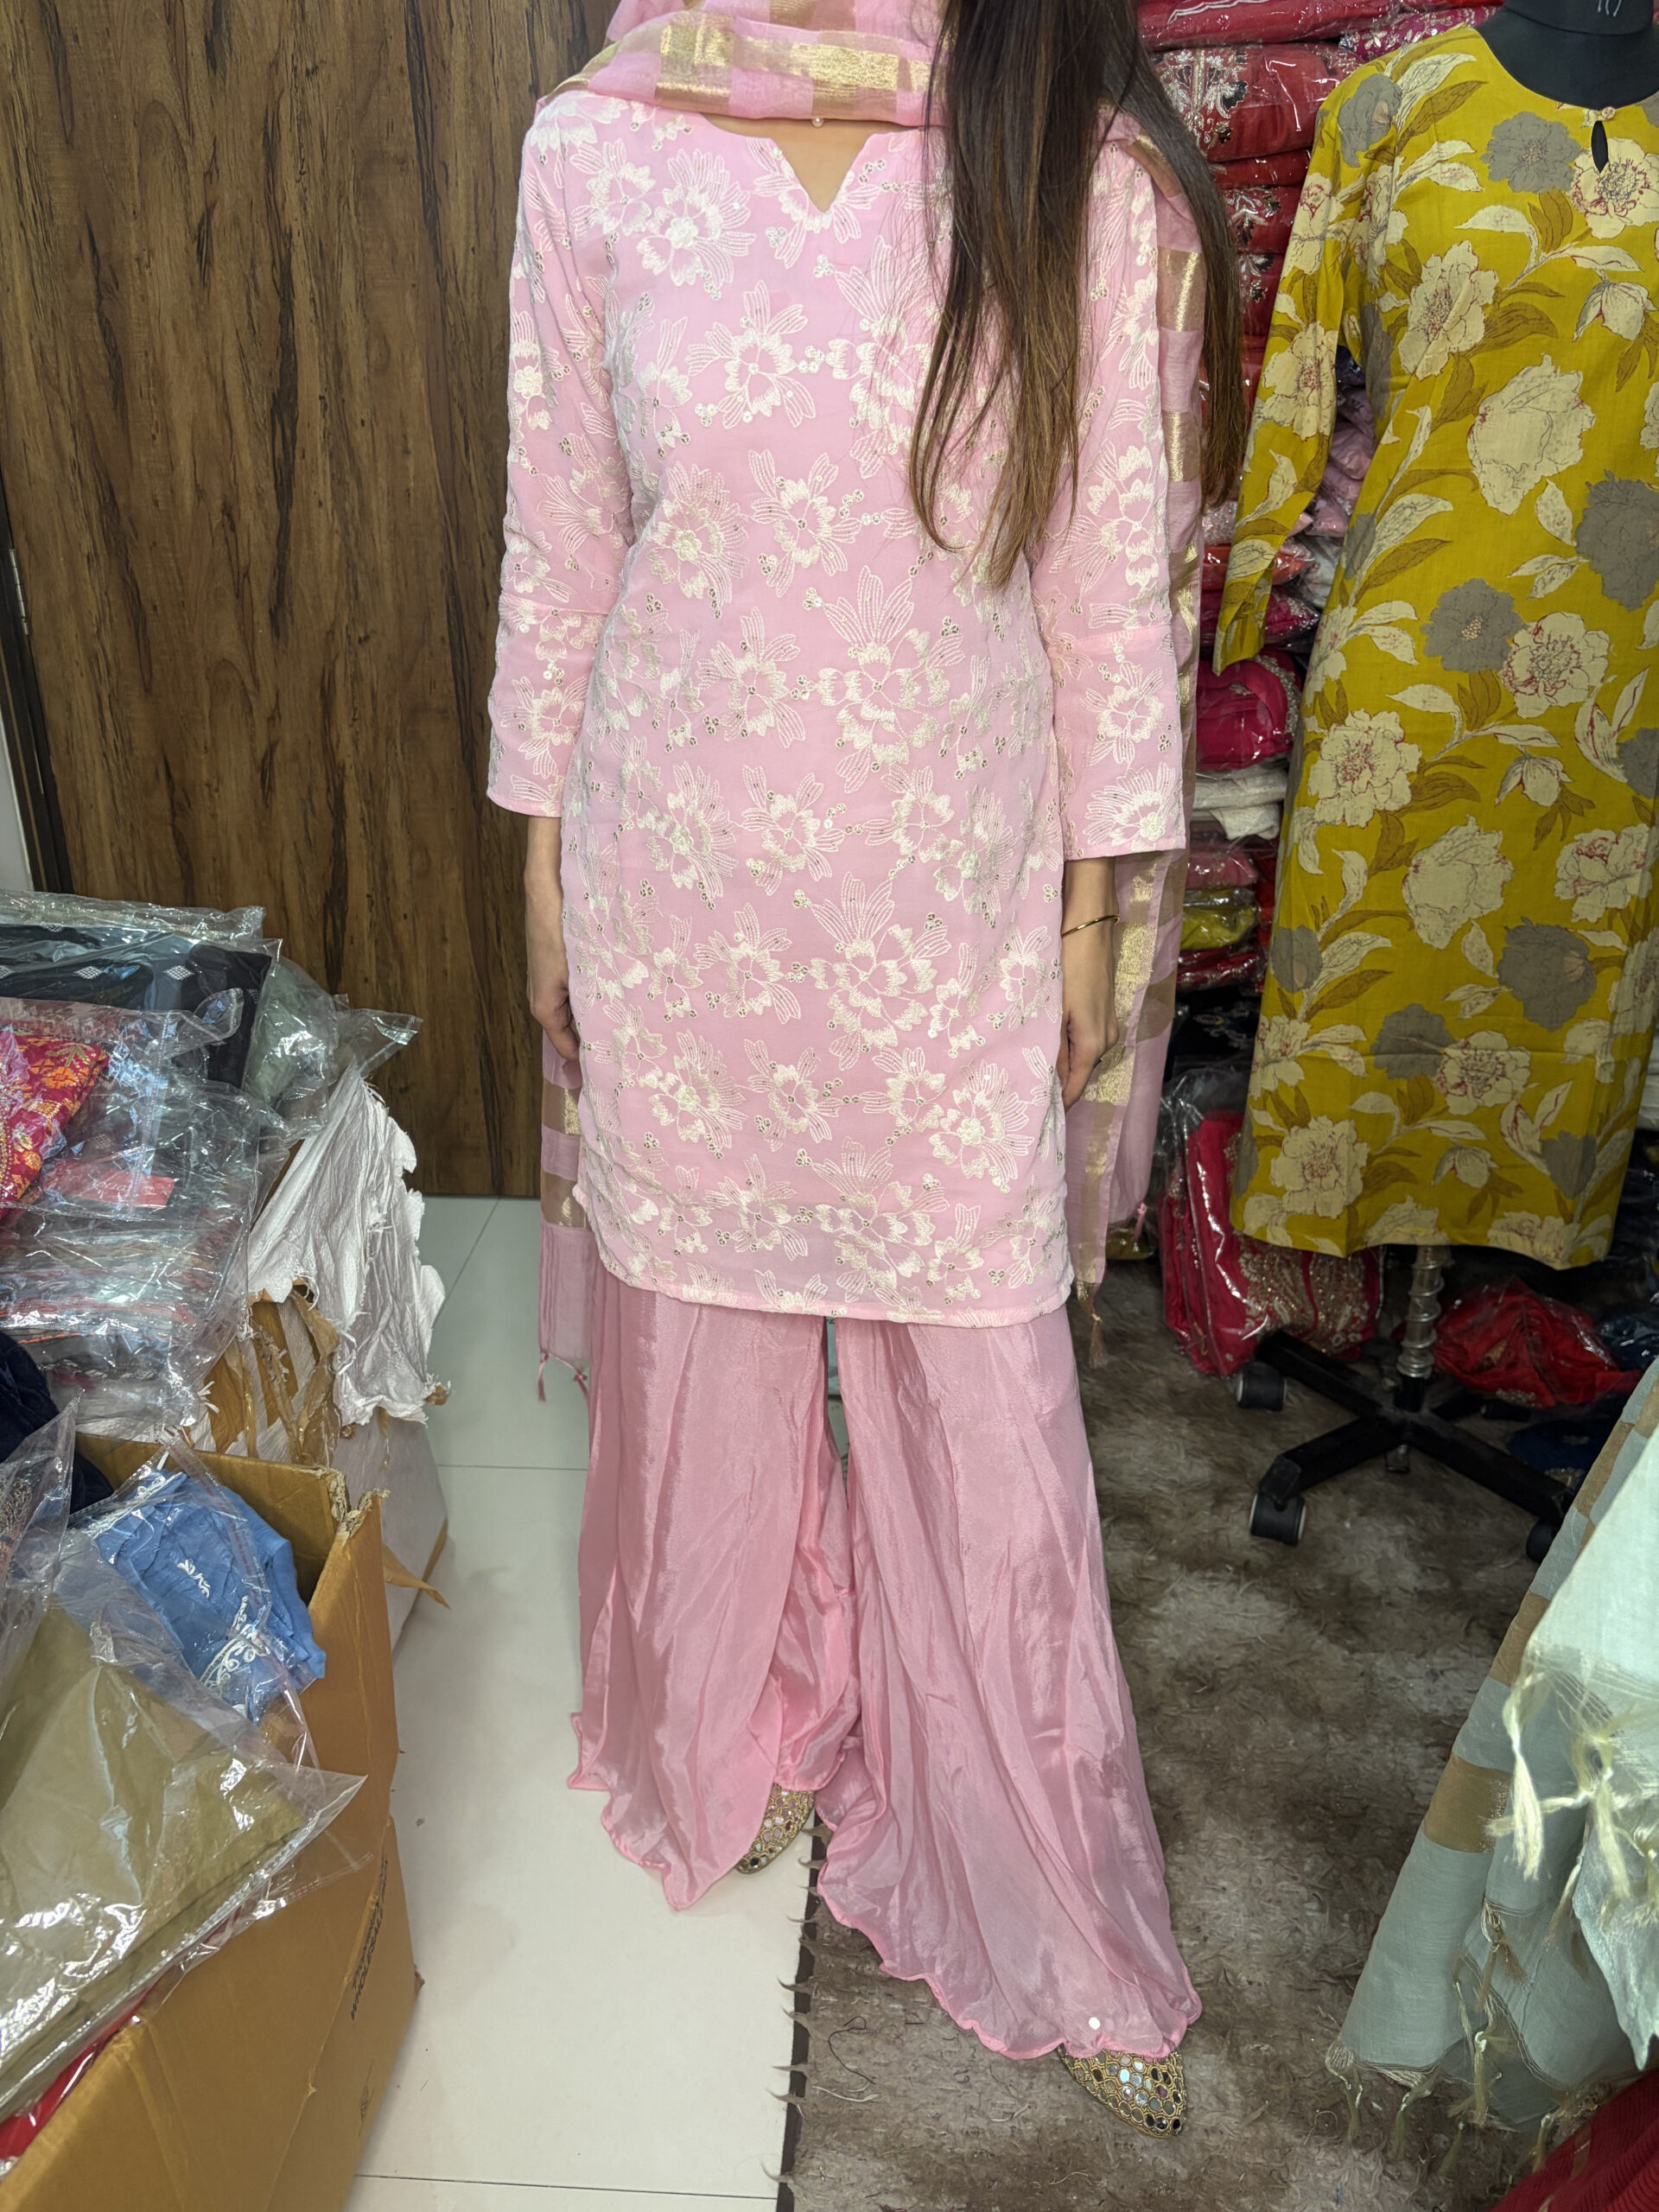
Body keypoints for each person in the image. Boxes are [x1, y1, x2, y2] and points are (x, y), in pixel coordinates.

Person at [487, 0, 1242, 2133]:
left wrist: (1097, 912)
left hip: (949, 905)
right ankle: (710, 1724)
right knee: (695, 1328)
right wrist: (536, 861)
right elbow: (562, 540)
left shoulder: (1064, 164)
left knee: (984, 1390)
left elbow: (1107, 589)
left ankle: (1048, 1884)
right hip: (676, 873)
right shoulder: (601, 145)